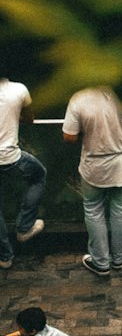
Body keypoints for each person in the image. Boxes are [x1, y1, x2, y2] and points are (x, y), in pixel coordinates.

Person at [62, 87, 122, 275]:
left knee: (93, 210)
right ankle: (120, 256)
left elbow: (69, 136)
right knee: (121, 208)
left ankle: (100, 262)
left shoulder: (79, 97)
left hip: (93, 164)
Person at [0, 75, 46, 270]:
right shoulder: (19, 89)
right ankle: (25, 226)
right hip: (8, 157)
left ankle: (4, 257)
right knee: (39, 175)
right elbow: (29, 118)